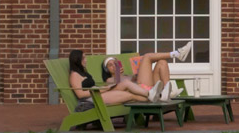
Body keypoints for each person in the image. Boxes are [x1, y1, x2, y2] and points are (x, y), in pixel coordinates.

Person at [64, 44, 195, 106]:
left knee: (161, 62)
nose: (86, 60)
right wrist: (104, 87)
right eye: (110, 65)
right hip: (141, 89)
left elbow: (125, 82)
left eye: (115, 63)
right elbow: (81, 94)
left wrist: (134, 75)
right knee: (147, 57)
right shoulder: (109, 79)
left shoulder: (84, 73)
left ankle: (166, 91)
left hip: (146, 87)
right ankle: (176, 54)